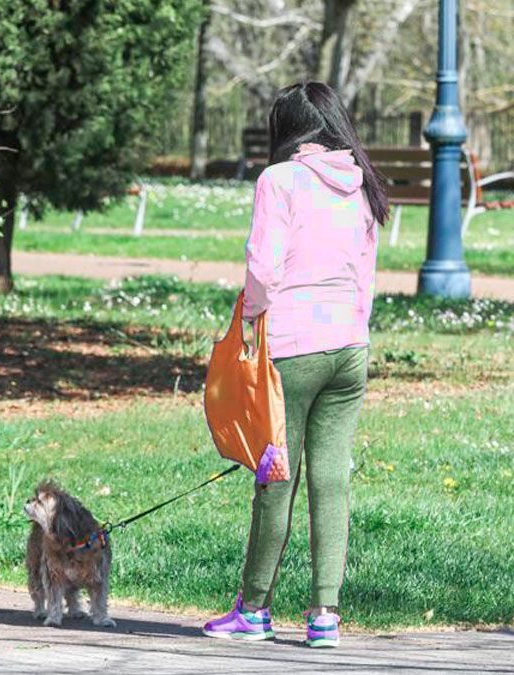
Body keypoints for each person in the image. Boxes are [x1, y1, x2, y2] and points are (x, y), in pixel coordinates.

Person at [202, 81, 389, 648]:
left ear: (287, 127)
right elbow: (366, 272)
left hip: (290, 350)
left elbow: (263, 265)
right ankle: (325, 616)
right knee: (332, 482)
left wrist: (254, 320)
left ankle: (253, 610)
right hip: (349, 348)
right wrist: (354, 330)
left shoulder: (278, 180)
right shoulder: (360, 183)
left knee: (274, 478)